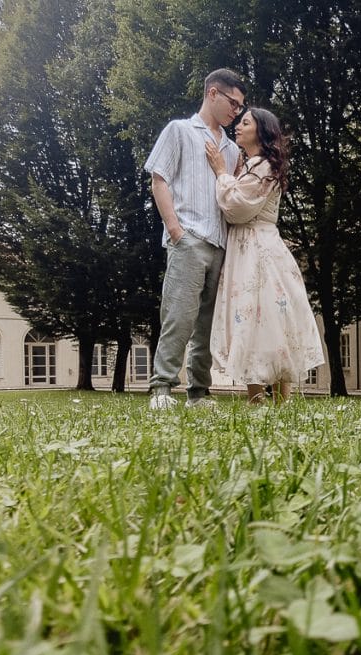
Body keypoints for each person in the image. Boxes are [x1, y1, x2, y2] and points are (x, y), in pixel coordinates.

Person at [205, 107, 325, 404]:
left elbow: (237, 207)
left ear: (261, 130)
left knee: (265, 314)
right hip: (250, 245)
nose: (238, 126)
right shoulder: (255, 166)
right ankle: (262, 397)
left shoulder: (264, 166)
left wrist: (221, 173)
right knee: (258, 316)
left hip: (257, 247)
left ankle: (270, 398)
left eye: (245, 122)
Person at [143, 69, 247, 410]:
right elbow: (160, 180)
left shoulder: (232, 151)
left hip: (220, 245)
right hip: (188, 239)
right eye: (233, 102)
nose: (237, 111)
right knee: (179, 316)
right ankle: (161, 389)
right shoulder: (180, 130)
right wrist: (175, 231)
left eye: (241, 106)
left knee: (207, 325)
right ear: (212, 94)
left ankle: (199, 393)